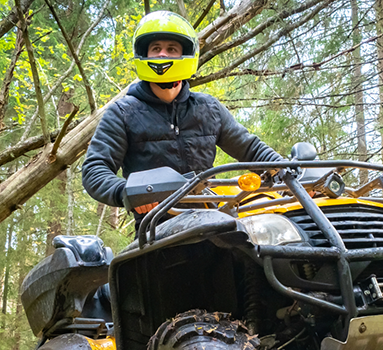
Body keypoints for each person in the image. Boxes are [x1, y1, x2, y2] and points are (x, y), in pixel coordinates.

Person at [82, 11, 282, 216]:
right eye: (156, 48)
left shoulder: (209, 108)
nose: (162, 54)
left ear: (185, 54)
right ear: (145, 54)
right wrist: (128, 192)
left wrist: (288, 173)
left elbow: (251, 149)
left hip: (213, 220)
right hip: (156, 228)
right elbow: (95, 170)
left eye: (171, 49)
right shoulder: (122, 113)